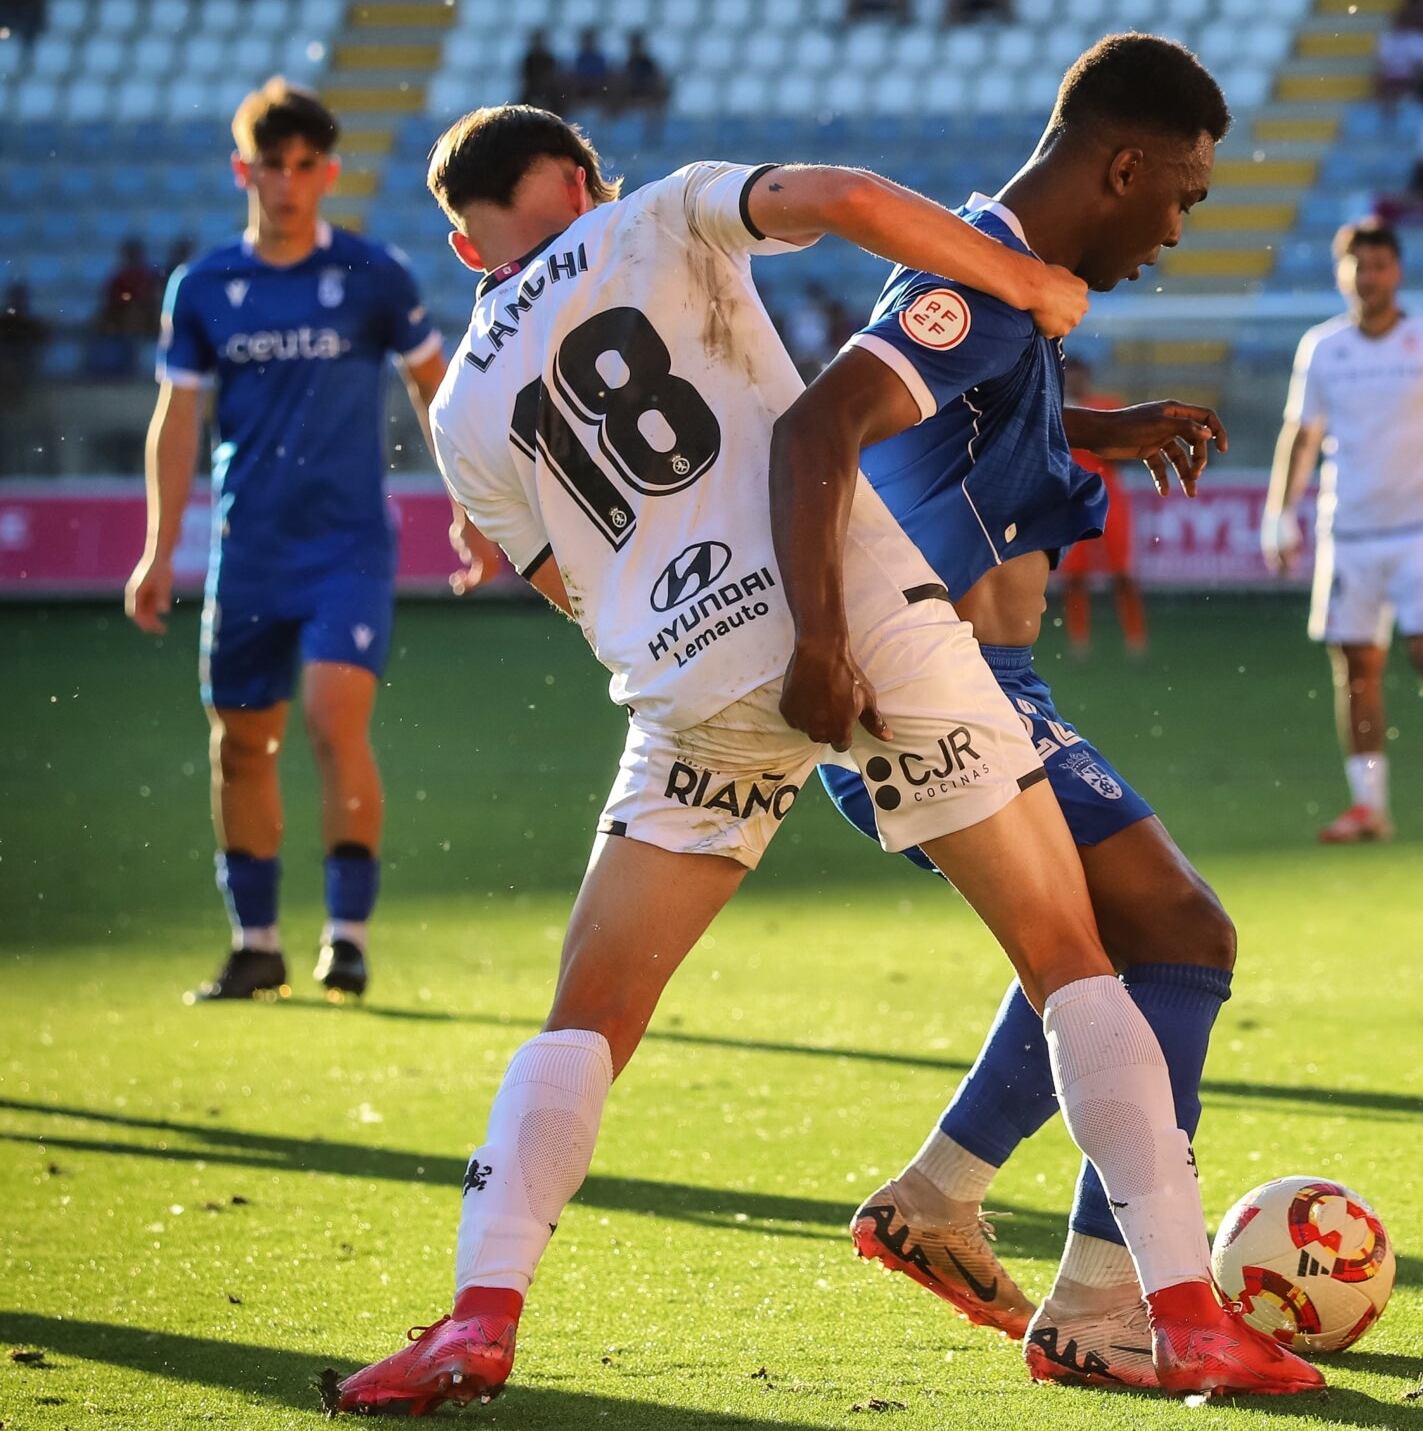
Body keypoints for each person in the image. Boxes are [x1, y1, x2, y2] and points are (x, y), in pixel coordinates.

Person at [331, 104, 1323, 1415]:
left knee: (587, 1013)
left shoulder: (460, 411)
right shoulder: (659, 211)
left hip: (685, 681)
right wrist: (1021, 277)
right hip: (858, 621)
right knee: (1073, 954)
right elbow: (846, 196)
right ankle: (1179, 1314)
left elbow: (567, 589)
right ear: (581, 175)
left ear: (466, 251)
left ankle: (478, 1311)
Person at [803, 33, 1259, 1390]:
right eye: (1177, 196)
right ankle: (1105, 1300)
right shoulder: (974, 279)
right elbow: (825, 422)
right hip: (936, 682)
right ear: (1120, 164)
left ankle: (940, 1198)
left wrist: (1097, 430)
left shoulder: (1000, 282)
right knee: (1176, 931)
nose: (1175, 230)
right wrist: (824, 644)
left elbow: (948, 425)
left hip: (984, 683)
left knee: (1102, 946)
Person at [124, 78, 502, 1005]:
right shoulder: (205, 286)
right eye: (270, 167)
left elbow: (435, 387)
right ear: (241, 171)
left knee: (336, 723)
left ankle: (348, 935)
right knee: (242, 744)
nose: (287, 184)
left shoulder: (375, 276)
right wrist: (157, 546)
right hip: (248, 547)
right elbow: (177, 422)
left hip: (346, 547)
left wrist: (469, 503)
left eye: (304, 167)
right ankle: (255, 943)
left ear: (327, 172)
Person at [1261, 219, 1423, 843]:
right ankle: (1370, 805)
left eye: (1379, 266)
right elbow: (1302, 434)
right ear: (1342, 274)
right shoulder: (1322, 347)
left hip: (1422, 526)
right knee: (1355, 666)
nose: (1369, 278)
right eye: (1357, 267)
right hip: (1350, 530)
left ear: (1397, 271)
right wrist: (1280, 512)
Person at [1055, 356, 1147, 656]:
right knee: (1075, 576)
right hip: (1070, 499)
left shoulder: (1107, 407)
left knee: (1122, 573)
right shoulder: (1055, 410)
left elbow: (1123, 450)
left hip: (1109, 497)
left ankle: (1135, 637)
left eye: (1080, 376)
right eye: (1070, 376)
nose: (1076, 382)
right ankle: (1078, 640)